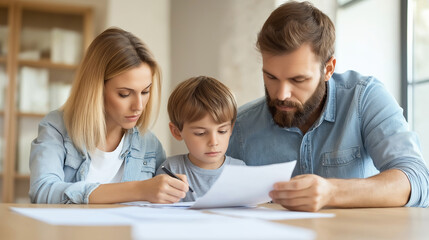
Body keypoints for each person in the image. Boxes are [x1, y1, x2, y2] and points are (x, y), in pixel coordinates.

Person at [227, 1, 429, 212]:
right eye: (271, 77)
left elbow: (417, 180)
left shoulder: (364, 98)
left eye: (298, 80)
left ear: (329, 69)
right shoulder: (240, 126)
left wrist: (332, 191)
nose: (281, 94)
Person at [29, 27, 190, 204]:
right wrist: (139, 190)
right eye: (124, 94)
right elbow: (43, 191)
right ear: (96, 89)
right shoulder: (56, 128)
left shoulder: (149, 145)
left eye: (145, 91)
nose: (139, 106)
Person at [156, 76, 245, 202]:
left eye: (222, 131)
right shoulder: (171, 169)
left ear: (231, 128)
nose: (213, 142)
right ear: (176, 132)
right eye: (200, 133)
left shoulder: (241, 171)